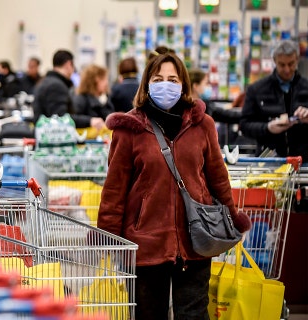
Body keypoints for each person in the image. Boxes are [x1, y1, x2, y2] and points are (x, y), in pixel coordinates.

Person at [98, 49, 251, 319]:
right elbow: (114, 190)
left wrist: (231, 219)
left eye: (172, 79)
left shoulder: (203, 125)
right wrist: (108, 238)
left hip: (196, 240)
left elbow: (217, 177)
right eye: (157, 80)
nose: (165, 85)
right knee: (149, 314)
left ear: (183, 85)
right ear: (146, 85)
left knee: (193, 314)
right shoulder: (129, 129)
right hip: (145, 243)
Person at [241, 39, 308, 160]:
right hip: (268, 162)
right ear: (274, 61)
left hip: (303, 161)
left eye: (291, 64)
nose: (287, 69)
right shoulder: (256, 90)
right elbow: (244, 125)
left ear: (297, 60)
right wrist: (267, 127)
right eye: (282, 65)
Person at [33, 49, 104, 130]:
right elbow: (60, 119)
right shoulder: (56, 86)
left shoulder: (45, 82)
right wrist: (89, 121)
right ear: (68, 64)